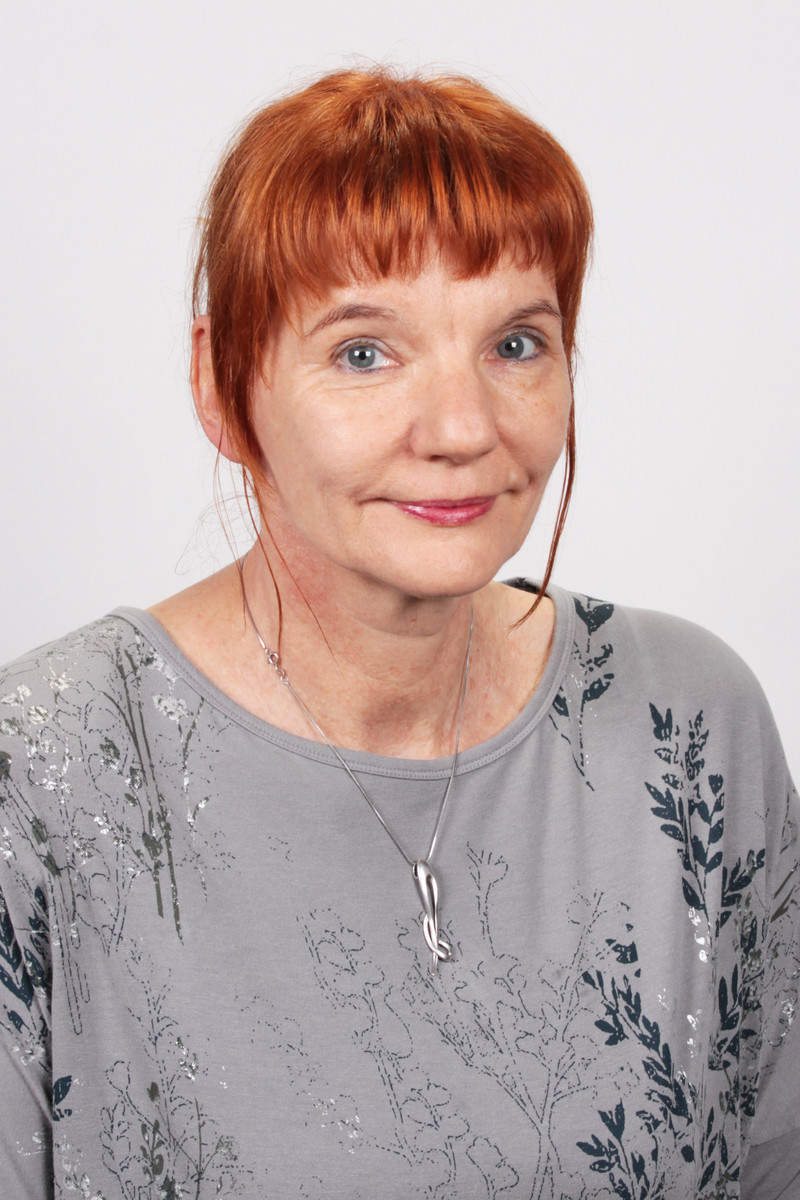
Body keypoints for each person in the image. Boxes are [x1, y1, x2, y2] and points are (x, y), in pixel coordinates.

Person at [0, 66, 797, 1200]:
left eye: (515, 344)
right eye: (364, 353)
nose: (463, 429)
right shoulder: (42, 776)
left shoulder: (689, 723)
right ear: (221, 386)